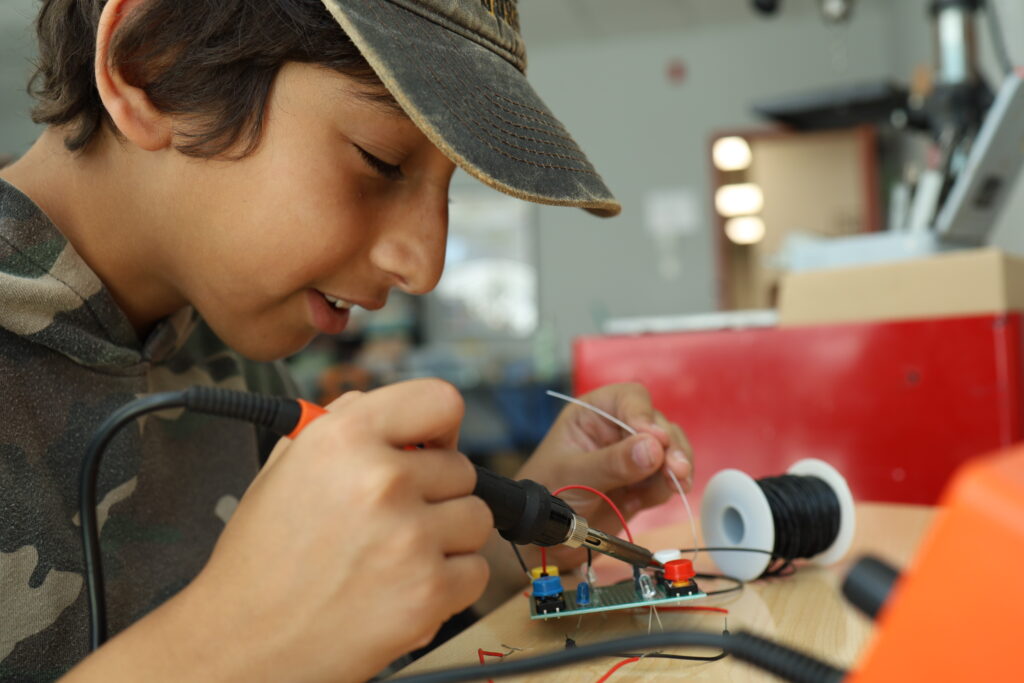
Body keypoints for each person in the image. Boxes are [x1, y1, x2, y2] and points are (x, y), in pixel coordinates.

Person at [0, 1, 694, 680]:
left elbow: (340, 633)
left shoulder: (225, 345)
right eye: (382, 161)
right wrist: (235, 639)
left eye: (444, 190)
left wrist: (523, 526)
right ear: (150, 64)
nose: (425, 263)